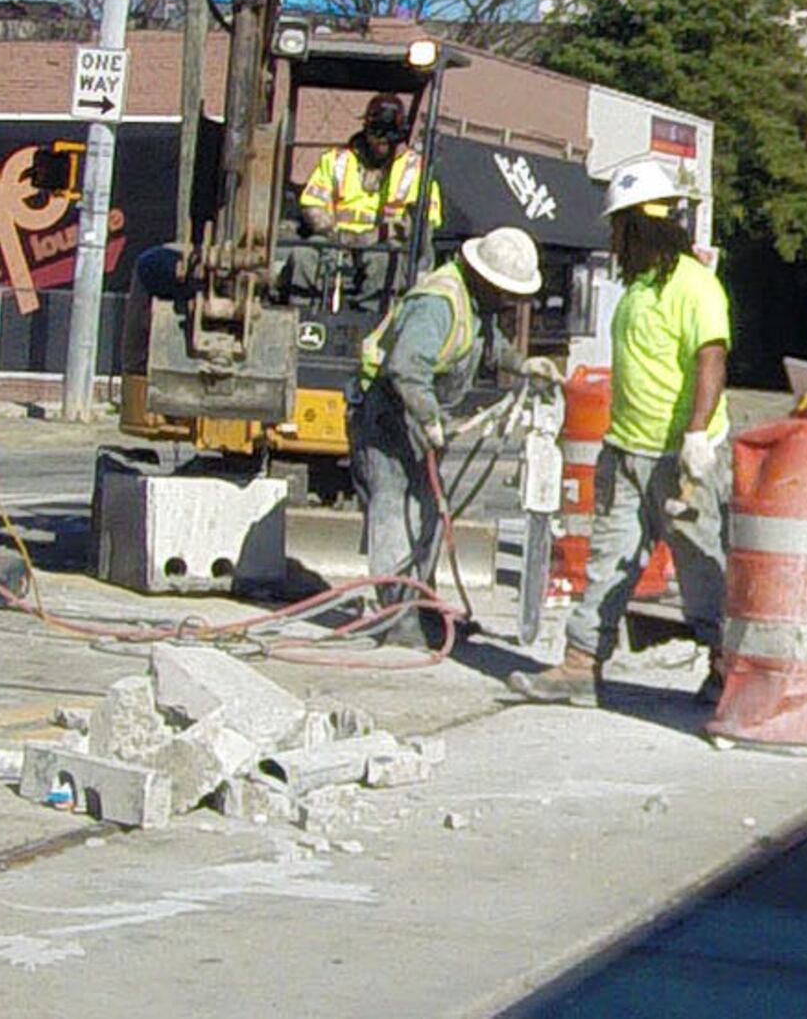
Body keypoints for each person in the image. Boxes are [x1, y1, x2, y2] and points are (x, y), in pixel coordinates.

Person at [514, 159, 731, 706]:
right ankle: (580, 665)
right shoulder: (636, 289)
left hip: (678, 457)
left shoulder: (694, 286)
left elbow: (710, 357)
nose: (612, 238)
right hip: (628, 449)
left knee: (703, 568)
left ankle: (729, 670)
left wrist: (698, 435)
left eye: (618, 227)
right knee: (608, 560)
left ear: (638, 226)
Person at [350, 225, 545, 647]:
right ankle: (395, 616)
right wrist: (429, 418)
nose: (509, 300)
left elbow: (488, 345)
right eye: (506, 290)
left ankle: (420, 605)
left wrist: (523, 365)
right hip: (388, 414)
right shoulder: (438, 302)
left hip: (414, 416)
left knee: (426, 512)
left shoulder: (475, 304)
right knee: (394, 508)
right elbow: (405, 366)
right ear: (486, 278)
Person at [297, 93, 431, 242]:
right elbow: (313, 205)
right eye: (377, 130)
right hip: (334, 242)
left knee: (382, 257)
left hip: (385, 245)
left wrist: (378, 235)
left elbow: (424, 221)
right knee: (305, 254)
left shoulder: (415, 169)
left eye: (390, 132)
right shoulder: (336, 160)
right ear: (366, 129)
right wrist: (334, 234)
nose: (382, 139)